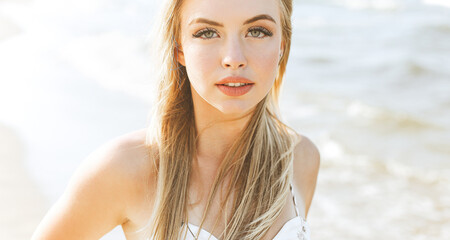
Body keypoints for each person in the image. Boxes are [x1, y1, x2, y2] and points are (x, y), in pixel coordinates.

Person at [31, 0, 320, 239]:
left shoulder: (301, 158)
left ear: (282, 44)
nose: (234, 58)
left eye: (257, 31)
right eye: (207, 32)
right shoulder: (125, 169)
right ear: (179, 48)